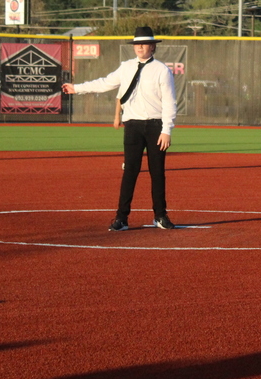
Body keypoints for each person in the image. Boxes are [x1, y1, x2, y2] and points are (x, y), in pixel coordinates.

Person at [62, 26, 178, 231]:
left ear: (152, 46)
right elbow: (104, 83)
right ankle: (122, 218)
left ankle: (160, 216)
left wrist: (166, 130)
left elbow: (170, 102)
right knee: (130, 172)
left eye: (144, 44)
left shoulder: (161, 70)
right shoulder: (126, 67)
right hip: (132, 125)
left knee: (157, 172)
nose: (140, 47)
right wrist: (77, 88)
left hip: (155, 125)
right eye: (137, 44)